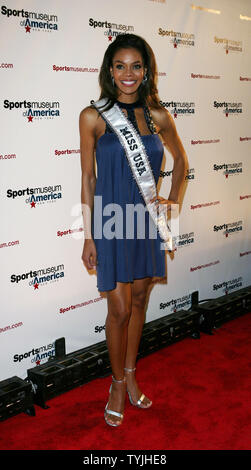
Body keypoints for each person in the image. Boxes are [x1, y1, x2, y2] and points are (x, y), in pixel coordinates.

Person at [79, 34, 187, 427]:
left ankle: (132, 373)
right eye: (121, 66)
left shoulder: (157, 116)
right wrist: (88, 235)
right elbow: (88, 179)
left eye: (136, 66)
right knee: (119, 308)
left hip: (144, 223)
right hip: (109, 221)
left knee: (139, 302)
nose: (129, 74)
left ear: (146, 71)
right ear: (110, 70)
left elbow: (182, 164)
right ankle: (117, 385)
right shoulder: (93, 116)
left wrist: (170, 208)